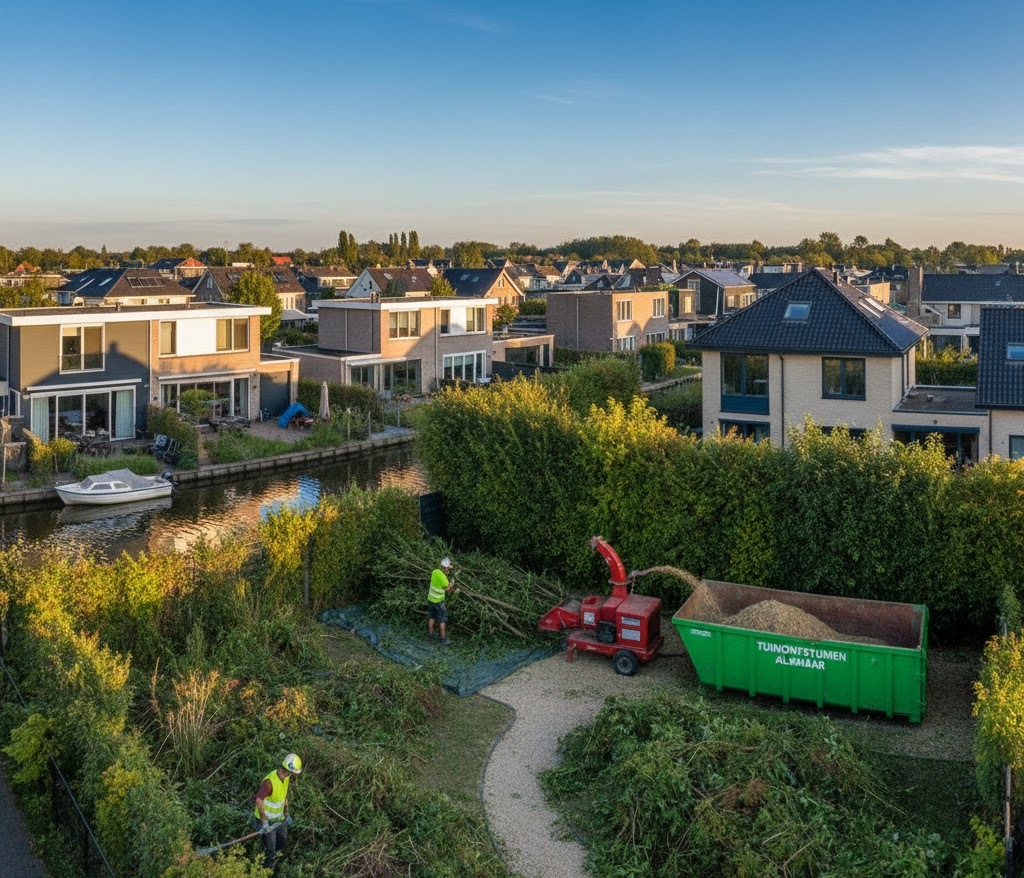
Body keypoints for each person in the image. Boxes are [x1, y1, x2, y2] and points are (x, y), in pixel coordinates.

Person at [254, 753, 302, 870]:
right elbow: (259, 800)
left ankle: (279, 867)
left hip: (279, 819)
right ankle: (266, 871)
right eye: (294, 772)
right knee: (270, 849)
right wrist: (264, 822)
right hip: (267, 821)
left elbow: (283, 796)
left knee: (282, 843)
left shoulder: (286, 777)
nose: (294, 775)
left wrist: (286, 813)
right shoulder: (269, 782)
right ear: (289, 770)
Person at [427, 556, 454, 644]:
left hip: (431, 600)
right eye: (447, 568)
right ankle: (443, 639)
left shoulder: (435, 571)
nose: (448, 570)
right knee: (442, 619)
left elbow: (444, 569)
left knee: (432, 617)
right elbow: (448, 589)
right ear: (445, 568)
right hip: (438, 602)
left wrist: (449, 567)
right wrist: (452, 583)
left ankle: (430, 636)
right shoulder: (444, 579)